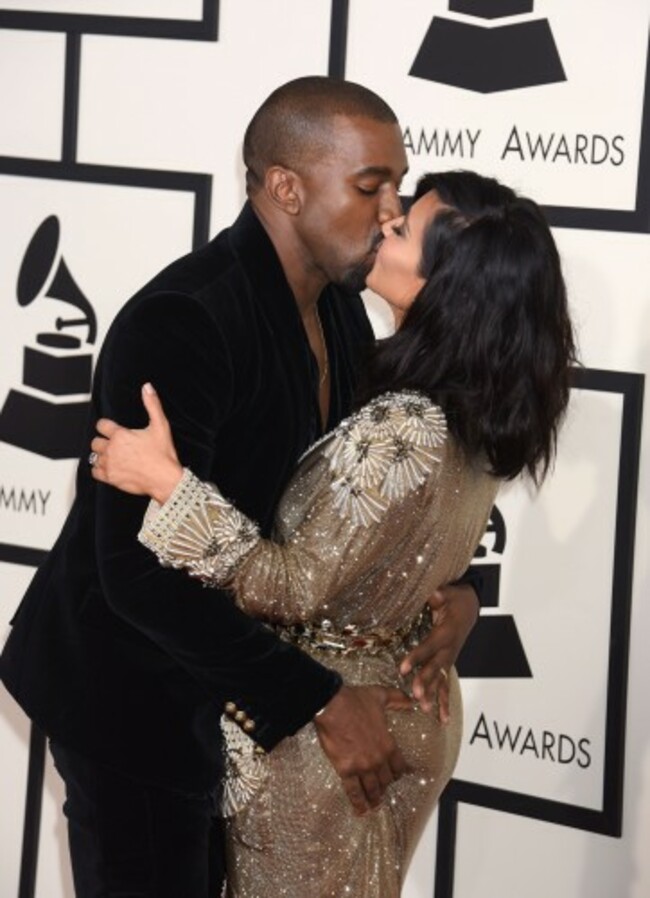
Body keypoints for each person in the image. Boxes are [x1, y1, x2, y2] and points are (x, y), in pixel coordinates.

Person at [0, 78, 481, 898]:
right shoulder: (183, 319)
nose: (393, 211)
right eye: (371, 187)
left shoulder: (340, 311)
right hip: (131, 698)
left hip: (236, 696)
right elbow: (138, 574)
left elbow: (351, 521)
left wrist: (458, 595)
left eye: (398, 187)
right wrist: (320, 700)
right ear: (285, 187)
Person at [88, 170, 576, 897]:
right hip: (406, 711)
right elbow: (401, 531)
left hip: (339, 734)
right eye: (384, 198)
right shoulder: (478, 403)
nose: (386, 221)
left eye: (405, 225)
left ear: (453, 286)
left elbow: (292, 585)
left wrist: (171, 487)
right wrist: (464, 594)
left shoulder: (405, 419)